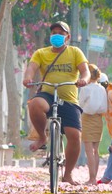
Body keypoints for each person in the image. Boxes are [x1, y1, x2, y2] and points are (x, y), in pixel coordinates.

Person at [22, 21, 90, 185]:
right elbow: (32, 67)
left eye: (60, 33)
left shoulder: (75, 52)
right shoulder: (41, 53)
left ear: (68, 36)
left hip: (68, 99)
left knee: (74, 137)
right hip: (47, 94)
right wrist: (28, 77)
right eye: (54, 33)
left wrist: (84, 80)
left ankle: (67, 175)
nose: (56, 35)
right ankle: (42, 137)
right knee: (34, 104)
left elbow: (85, 71)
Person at [78, 65, 108, 185]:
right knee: (96, 150)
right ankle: (94, 178)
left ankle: (91, 179)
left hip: (87, 118)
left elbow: (80, 104)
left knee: (89, 151)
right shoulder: (102, 89)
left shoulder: (85, 89)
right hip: (99, 119)